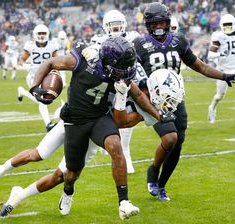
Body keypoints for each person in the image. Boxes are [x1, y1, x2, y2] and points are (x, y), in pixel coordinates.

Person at [29, 36, 161, 220]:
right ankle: (68, 190)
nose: (126, 71)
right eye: (122, 66)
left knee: (115, 145)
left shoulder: (120, 72)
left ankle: (124, 202)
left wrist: (158, 115)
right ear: (109, 62)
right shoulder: (82, 60)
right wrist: (34, 87)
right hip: (75, 120)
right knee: (71, 174)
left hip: (100, 117)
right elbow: (51, 62)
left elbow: (138, 96)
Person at [132, 2, 235, 201]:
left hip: (177, 98)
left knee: (178, 144)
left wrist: (225, 76)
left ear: (167, 23)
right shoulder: (140, 45)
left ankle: (162, 185)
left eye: (162, 22)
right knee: (169, 138)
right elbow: (130, 73)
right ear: (148, 25)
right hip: (153, 100)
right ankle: (153, 170)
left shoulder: (179, 41)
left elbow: (199, 66)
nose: (158, 26)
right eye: (154, 23)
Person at [83, 9, 141, 173]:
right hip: (106, 84)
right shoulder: (98, 40)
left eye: (118, 24)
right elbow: (92, 53)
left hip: (126, 81)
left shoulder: (132, 37)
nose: (115, 28)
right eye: (112, 25)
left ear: (124, 25)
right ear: (105, 26)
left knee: (125, 115)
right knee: (102, 114)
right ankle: (103, 143)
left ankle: (126, 154)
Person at [17, 24, 59, 132]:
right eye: (39, 33)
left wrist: (56, 72)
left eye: (43, 33)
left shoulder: (52, 46)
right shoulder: (30, 45)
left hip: (46, 76)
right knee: (42, 99)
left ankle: (22, 91)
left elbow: (58, 61)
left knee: (40, 99)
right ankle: (48, 124)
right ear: (35, 34)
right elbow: (21, 60)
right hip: (33, 76)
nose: (41, 35)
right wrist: (25, 65)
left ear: (47, 34)